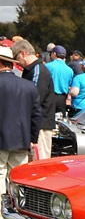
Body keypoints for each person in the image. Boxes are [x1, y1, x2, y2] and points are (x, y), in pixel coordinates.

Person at [0, 45, 42, 189]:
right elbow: (36, 114)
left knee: (0, 175)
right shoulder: (29, 86)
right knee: (17, 177)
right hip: (21, 139)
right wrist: (33, 139)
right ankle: (16, 209)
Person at [11, 40, 56, 160]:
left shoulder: (38, 71)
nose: (17, 63)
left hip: (40, 125)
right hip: (35, 123)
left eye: (17, 58)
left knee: (39, 163)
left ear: (23, 53)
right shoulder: (31, 70)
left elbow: (34, 99)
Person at [46, 45, 73, 113]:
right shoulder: (70, 70)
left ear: (54, 53)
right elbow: (69, 84)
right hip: (62, 98)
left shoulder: (48, 66)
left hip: (50, 96)